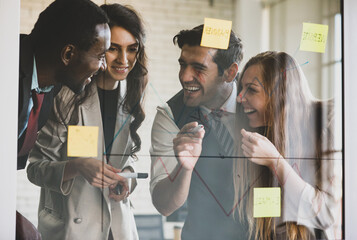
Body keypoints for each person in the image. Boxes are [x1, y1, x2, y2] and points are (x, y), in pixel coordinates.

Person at [26, 3, 148, 240]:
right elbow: (34, 169)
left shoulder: (132, 100)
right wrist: (77, 166)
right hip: (72, 230)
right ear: (99, 47)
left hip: (119, 230)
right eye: (113, 48)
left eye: (132, 49)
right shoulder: (64, 97)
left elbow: (128, 163)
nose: (124, 59)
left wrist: (127, 179)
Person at [17, 0, 110, 239]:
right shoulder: (8, 70)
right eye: (100, 55)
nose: (104, 66)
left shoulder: (50, 88)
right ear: (68, 54)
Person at [150, 25, 247, 239]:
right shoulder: (170, 116)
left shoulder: (257, 104)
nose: (185, 77)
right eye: (183, 65)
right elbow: (164, 205)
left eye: (198, 68)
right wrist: (184, 169)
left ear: (230, 72)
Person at [234, 51, 342, 239]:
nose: (240, 98)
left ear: (280, 94)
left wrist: (275, 162)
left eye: (251, 89)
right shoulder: (260, 134)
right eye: (241, 89)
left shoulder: (326, 124)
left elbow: (325, 215)